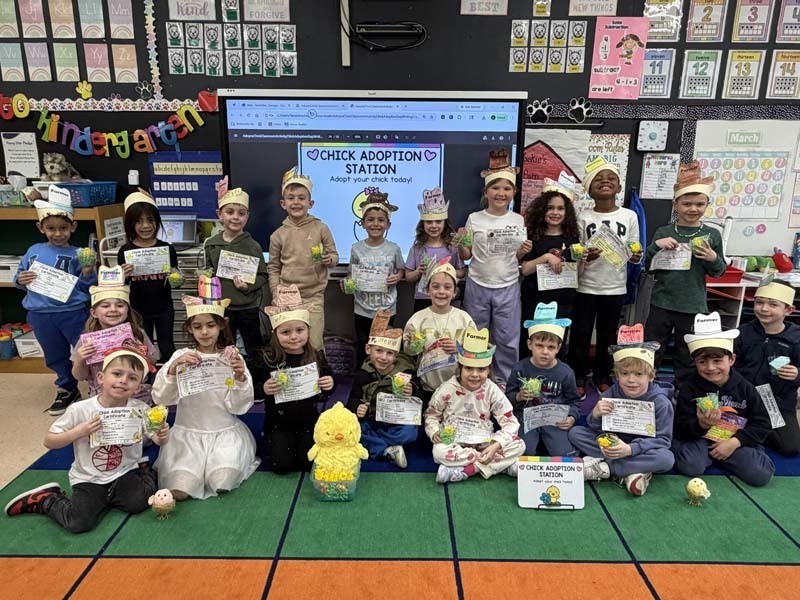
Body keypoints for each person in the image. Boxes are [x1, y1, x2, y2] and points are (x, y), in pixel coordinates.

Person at [4, 346, 169, 532]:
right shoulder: (80, 409)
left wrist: (162, 435)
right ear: (100, 378)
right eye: (117, 374)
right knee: (79, 523)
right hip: (88, 477)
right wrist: (79, 431)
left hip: (124, 471)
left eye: (132, 378)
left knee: (139, 504)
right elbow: (49, 441)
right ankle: (46, 499)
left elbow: (157, 440)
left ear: (139, 387)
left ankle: (143, 470)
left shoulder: (140, 409)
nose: (123, 381)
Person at [152, 280, 260, 499]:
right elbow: (161, 398)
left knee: (221, 482)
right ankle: (186, 470)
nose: (204, 332)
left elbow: (239, 407)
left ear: (221, 325)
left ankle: (221, 464)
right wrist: (173, 370)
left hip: (224, 434)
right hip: (187, 435)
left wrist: (239, 377)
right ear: (189, 328)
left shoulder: (231, 357)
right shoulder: (179, 357)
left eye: (210, 325)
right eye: (197, 326)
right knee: (180, 491)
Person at [13, 188, 97, 415]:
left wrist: (88, 271)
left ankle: (96, 385)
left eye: (63, 228)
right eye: (51, 228)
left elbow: (87, 287)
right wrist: (20, 279)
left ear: (73, 227)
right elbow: (20, 277)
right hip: (40, 313)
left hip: (73, 311)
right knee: (54, 353)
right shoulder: (34, 251)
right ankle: (67, 388)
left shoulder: (80, 253)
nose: (58, 234)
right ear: (41, 228)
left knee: (86, 350)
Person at [568, 327, 675, 496]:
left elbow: (663, 440)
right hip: (613, 444)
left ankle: (607, 468)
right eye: (625, 373)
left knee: (667, 459)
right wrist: (595, 414)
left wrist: (630, 449)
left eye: (639, 374)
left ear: (651, 376)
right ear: (617, 375)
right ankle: (635, 471)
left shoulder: (661, 402)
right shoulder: (610, 393)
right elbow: (595, 428)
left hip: (642, 448)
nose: (631, 380)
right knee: (576, 433)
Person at [568, 157, 642, 396]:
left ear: (619, 187)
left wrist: (635, 257)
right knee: (580, 334)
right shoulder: (582, 217)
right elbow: (575, 251)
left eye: (611, 179)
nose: (605, 182)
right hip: (585, 286)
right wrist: (583, 257)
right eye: (598, 180)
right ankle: (577, 375)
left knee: (608, 336)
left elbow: (635, 247)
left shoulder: (629, 216)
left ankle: (603, 374)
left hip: (615, 286)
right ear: (589, 190)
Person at [673, 312, 774, 487]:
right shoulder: (689, 388)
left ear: (732, 359)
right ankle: (710, 456)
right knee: (691, 466)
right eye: (702, 362)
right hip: (700, 440)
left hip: (734, 439)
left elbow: (763, 424)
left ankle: (722, 455)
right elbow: (680, 426)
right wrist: (700, 425)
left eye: (717, 361)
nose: (710, 368)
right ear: (695, 362)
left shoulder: (746, 388)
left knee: (761, 475)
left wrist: (735, 443)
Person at [644, 162, 726, 377]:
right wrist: (655, 248)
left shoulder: (712, 235)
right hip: (662, 302)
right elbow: (648, 268)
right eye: (687, 203)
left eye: (699, 204)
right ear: (675, 205)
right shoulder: (664, 231)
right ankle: (647, 387)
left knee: (688, 353)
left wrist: (713, 258)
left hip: (692, 305)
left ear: (707, 204)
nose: (693, 209)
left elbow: (719, 271)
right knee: (652, 349)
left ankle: (684, 393)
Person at [459, 149, 531, 387]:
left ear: (514, 193)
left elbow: (517, 256)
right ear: (486, 191)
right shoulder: (474, 218)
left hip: (508, 284)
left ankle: (503, 382)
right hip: (477, 282)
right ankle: (475, 378)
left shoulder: (518, 220)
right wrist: (461, 244)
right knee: (475, 336)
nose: (501, 193)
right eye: (495, 188)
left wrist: (523, 252)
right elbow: (467, 255)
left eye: (507, 188)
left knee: (508, 339)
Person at [251, 284, 335, 473]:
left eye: (299, 330)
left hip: (308, 420)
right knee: (281, 466)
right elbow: (251, 389)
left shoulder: (316, 356)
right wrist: (263, 389)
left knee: (309, 463)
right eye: (286, 332)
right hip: (278, 422)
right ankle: (276, 440)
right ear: (275, 334)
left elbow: (328, 380)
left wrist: (329, 383)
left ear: (308, 330)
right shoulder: (266, 358)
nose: (294, 337)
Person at [425, 327, 525, 483]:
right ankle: (500, 465)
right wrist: (435, 431)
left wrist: (495, 445)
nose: (474, 374)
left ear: (489, 370)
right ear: (460, 368)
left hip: (484, 441)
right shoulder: (447, 389)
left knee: (519, 444)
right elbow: (432, 415)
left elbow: (510, 422)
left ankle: (469, 470)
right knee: (438, 452)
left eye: (481, 369)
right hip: (455, 440)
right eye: (468, 368)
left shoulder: (492, 389)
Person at [268, 167, 339, 351]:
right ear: (283, 204)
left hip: (313, 296)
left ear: (311, 202)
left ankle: (317, 377)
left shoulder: (321, 228)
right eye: (291, 198)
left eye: (301, 198)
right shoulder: (278, 235)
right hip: (287, 298)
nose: (296, 202)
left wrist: (328, 260)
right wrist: (276, 294)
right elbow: (274, 268)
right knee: (290, 345)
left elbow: (334, 256)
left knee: (314, 344)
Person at [71, 266, 159, 404]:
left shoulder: (137, 334)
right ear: (94, 313)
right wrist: (80, 360)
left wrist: (142, 352)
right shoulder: (88, 340)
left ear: (127, 310)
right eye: (105, 306)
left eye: (120, 305)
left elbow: (153, 363)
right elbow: (79, 376)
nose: (113, 310)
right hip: (101, 397)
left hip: (136, 395)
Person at [734, 280, 800, 456]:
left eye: (773, 304)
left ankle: (755, 429)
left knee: (790, 447)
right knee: (719, 432)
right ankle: (753, 429)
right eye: (759, 302)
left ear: (788, 310)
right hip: (742, 398)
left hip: (776, 402)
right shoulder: (742, 333)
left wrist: (797, 374)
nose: (764, 308)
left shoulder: (796, 338)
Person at [347, 310, 421, 469]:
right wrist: (357, 408)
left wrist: (412, 391)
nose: (383, 357)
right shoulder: (362, 374)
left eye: (390, 353)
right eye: (378, 351)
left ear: (396, 356)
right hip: (371, 420)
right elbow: (352, 399)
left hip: (397, 421)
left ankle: (379, 446)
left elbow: (420, 396)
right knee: (352, 429)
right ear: (368, 349)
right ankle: (388, 449)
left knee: (411, 433)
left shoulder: (406, 372)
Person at [506, 302, 579, 458]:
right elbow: (507, 397)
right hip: (526, 418)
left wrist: (572, 417)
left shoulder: (565, 373)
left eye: (551, 347)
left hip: (554, 421)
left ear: (559, 348)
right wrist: (518, 396)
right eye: (539, 345)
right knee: (525, 452)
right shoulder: (520, 368)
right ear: (529, 344)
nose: (545, 352)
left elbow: (574, 401)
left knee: (564, 455)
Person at [204, 183, 268, 357]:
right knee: (223, 346)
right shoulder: (211, 244)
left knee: (254, 347)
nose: (235, 217)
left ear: (247, 216)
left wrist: (248, 286)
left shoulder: (253, 246)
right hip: (221, 307)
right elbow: (208, 271)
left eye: (241, 213)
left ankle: (256, 381)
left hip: (247, 307)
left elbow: (263, 275)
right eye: (230, 212)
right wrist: (205, 275)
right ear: (220, 214)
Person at [519, 174, 580, 357]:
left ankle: (553, 380)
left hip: (563, 300)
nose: (555, 213)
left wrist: (584, 260)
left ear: (567, 212)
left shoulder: (572, 238)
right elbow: (525, 269)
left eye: (561, 208)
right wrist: (546, 257)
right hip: (535, 300)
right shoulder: (532, 236)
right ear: (542, 210)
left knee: (556, 343)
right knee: (532, 342)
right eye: (550, 208)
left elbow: (577, 273)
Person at [117, 189, 180, 363]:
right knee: (143, 347)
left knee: (167, 346)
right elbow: (121, 285)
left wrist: (175, 277)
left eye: (150, 220)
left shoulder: (167, 248)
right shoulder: (125, 251)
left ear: (157, 222)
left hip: (164, 307)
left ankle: (170, 379)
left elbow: (176, 281)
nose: (145, 226)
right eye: (138, 221)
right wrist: (122, 275)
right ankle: (146, 382)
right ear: (130, 224)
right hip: (138, 309)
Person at [404, 258, 475, 403]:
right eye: (435, 287)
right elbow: (409, 352)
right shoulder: (418, 319)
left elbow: (476, 350)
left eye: (447, 287)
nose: (441, 292)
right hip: (427, 386)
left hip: (458, 386)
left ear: (455, 292)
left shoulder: (464, 318)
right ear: (427, 290)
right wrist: (414, 345)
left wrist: (459, 348)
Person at [348, 192, 405, 367]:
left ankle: (383, 380)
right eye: (370, 219)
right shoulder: (356, 248)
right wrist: (349, 284)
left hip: (386, 308)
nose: (375, 224)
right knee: (363, 345)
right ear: (363, 223)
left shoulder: (394, 248)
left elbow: (401, 271)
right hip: (362, 308)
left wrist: (398, 277)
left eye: (381, 220)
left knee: (384, 347)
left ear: (388, 224)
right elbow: (351, 274)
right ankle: (362, 380)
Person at [404, 187, 465, 312]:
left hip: (446, 296)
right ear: (423, 225)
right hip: (423, 297)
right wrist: (418, 271)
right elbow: (408, 276)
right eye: (429, 222)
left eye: (438, 222)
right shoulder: (417, 248)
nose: (434, 226)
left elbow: (462, 272)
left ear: (444, 224)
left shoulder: (452, 247)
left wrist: (448, 269)